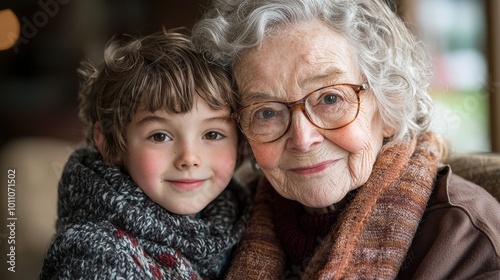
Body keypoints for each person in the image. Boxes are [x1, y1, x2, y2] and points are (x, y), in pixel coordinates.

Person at [191, 0, 500, 278]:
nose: (302, 139)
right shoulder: (221, 225)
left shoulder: (465, 238)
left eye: (329, 99)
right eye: (266, 113)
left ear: (390, 105)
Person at [40, 29, 251, 279]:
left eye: (212, 134)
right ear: (109, 143)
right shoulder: (95, 255)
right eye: (160, 136)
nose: (189, 158)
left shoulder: (244, 217)